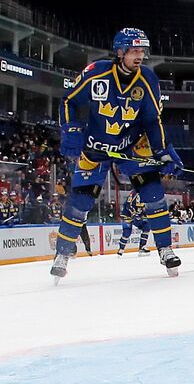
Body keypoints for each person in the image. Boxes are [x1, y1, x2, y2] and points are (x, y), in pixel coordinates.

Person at [51, 28, 182, 279]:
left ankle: (165, 249)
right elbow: (69, 101)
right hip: (95, 147)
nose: (139, 56)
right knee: (80, 202)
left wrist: (163, 151)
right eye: (134, 51)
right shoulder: (96, 72)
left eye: (142, 51)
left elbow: (153, 120)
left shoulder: (147, 79)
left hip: (132, 145)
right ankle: (63, 253)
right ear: (120, 52)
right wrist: (70, 129)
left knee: (154, 195)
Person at [116, 189, 152, 255]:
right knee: (127, 233)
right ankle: (121, 249)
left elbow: (145, 207)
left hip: (137, 215)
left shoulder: (147, 194)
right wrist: (135, 214)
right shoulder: (135, 192)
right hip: (127, 215)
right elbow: (128, 205)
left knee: (146, 227)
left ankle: (142, 246)